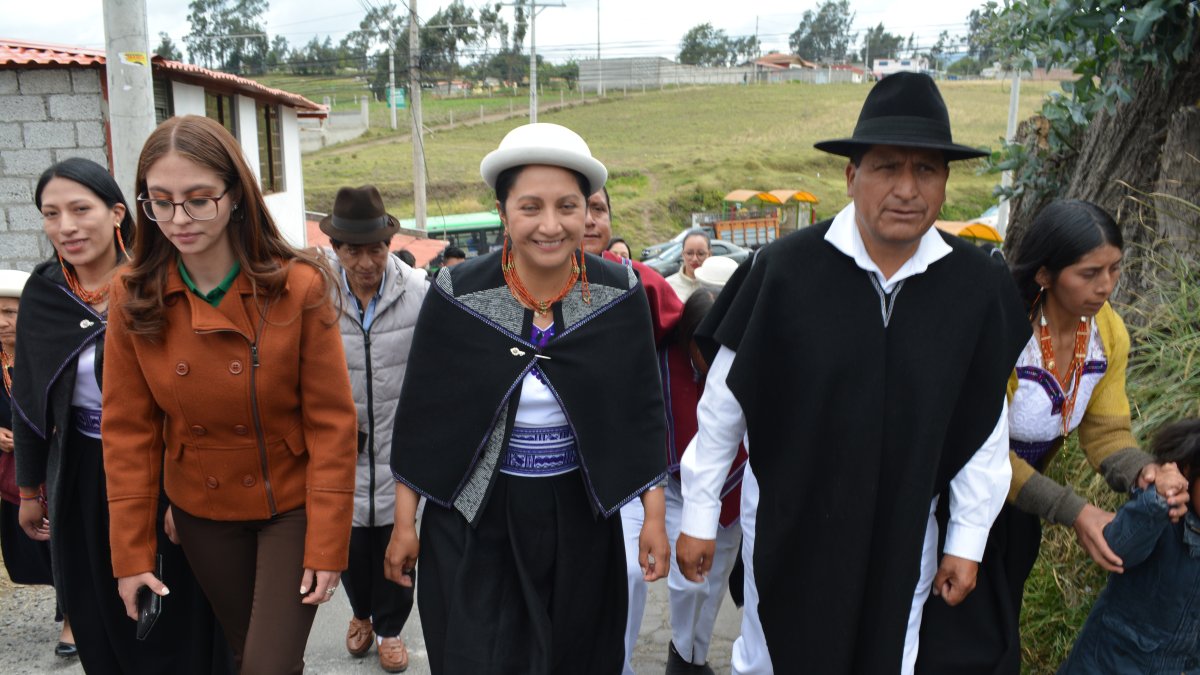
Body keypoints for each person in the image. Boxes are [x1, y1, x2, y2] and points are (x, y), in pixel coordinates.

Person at [675, 72, 1031, 674]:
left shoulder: (974, 289)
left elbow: (981, 425)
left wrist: (966, 540)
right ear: (851, 175)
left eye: (926, 171)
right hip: (790, 526)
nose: (906, 189)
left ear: (945, 183)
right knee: (771, 659)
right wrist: (700, 515)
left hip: (903, 532)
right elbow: (723, 405)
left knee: (891, 658)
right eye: (887, 167)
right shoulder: (785, 272)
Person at [384, 122, 670, 674]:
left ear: (587, 212)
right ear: (503, 209)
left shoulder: (619, 294)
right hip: (475, 517)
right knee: (479, 655)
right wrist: (403, 525)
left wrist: (652, 516)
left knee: (577, 655)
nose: (550, 225)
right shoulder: (458, 293)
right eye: (530, 206)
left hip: (580, 516)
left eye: (568, 207)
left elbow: (639, 411)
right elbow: (423, 415)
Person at [101, 115, 358, 674]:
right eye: (161, 202)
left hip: (290, 504)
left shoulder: (299, 285)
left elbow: (332, 424)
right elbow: (129, 432)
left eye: (198, 199)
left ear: (236, 194)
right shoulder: (133, 294)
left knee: (266, 664)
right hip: (202, 507)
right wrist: (132, 554)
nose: (179, 219)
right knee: (251, 653)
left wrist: (329, 541)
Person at [917, 199, 1188, 674]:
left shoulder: (1107, 333)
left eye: (1115, 269)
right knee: (951, 645)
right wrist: (1076, 512)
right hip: (955, 503)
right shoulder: (1004, 329)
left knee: (999, 638)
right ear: (1044, 274)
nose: (1105, 286)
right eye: (1089, 273)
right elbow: (985, 447)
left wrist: (1144, 471)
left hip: (1019, 512)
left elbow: (1107, 432)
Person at [12, 157, 227, 673]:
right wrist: (27, 491)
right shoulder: (44, 294)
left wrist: (188, 490)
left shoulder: (158, 285)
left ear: (115, 214)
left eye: (80, 209)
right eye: (51, 213)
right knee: (95, 597)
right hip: (83, 472)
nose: (66, 226)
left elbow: (196, 394)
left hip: (162, 469)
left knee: (171, 603)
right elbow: (28, 397)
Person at [320, 185, 427, 673]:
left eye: (376, 249)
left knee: (397, 545)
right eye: (353, 250)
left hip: (398, 448)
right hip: (340, 452)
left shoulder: (419, 293)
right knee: (348, 549)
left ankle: (390, 629)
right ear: (337, 249)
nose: (366, 261)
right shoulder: (316, 296)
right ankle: (359, 612)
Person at [578, 185, 684, 675]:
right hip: (535, 474)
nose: (587, 221)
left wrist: (655, 513)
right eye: (578, 208)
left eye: (598, 209)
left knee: (623, 578)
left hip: (616, 473)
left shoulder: (639, 290)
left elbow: (653, 395)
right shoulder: (507, 292)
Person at [1057, 419, 1199, 674]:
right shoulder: (1163, 514)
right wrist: (1155, 502)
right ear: (1187, 472)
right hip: (1109, 664)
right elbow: (1118, 548)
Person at [662, 287, 747, 675]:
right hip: (678, 489)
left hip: (735, 492)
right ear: (687, 339)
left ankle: (693, 659)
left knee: (712, 588)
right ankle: (680, 653)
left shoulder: (740, 360)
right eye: (704, 351)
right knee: (688, 583)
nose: (713, 363)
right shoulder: (664, 363)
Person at [0, 268, 75, 658]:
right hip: (13, 479)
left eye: (10, 311)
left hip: (57, 466)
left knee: (64, 541)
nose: (2, 321)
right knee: (30, 550)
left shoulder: (47, 351)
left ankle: (72, 621)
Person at [665, 230, 711, 301]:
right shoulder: (667, 286)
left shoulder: (716, 285)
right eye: (689, 253)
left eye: (701, 254)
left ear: (709, 254)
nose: (695, 259)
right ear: (683, 254)